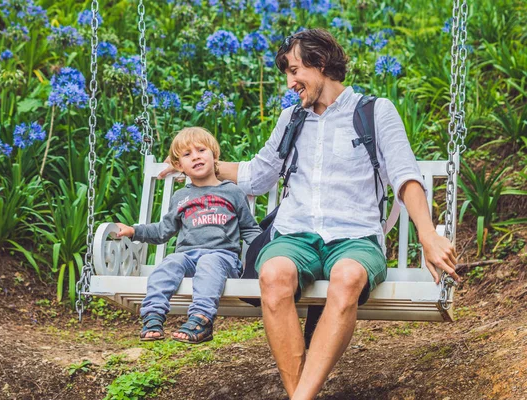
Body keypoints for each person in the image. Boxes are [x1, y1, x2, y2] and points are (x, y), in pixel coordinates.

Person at [159, 29, 459, 398]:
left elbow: (405, 177)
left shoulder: (374, 112)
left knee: (348, 277)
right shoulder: (291, 119)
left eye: (295, 70)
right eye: (287, 72)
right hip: (294, 235)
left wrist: (428, 236)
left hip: (355, 237)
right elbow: (257, 174)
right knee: (273, 274)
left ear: (321, 64)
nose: (290, 82)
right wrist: (195, 166)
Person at [116, 127, 261, 344]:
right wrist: (134, 231)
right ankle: (153, 315)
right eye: (187, 154)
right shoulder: (181, 196)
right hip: (188, 257)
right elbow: (162, 231)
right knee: (170, 262)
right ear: (178, 166)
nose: (196, 157)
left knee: (210, 261)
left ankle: (201, 319)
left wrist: (266, 251)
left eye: (201, 150)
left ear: (214, 154)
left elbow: (250, 229)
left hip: (223, 258)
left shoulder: (232, 192)